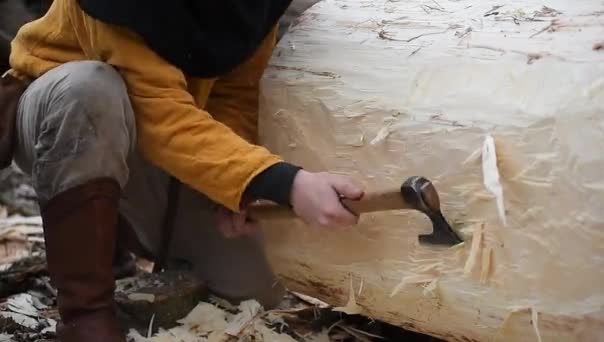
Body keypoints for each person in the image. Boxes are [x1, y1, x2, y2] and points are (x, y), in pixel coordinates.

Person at [0, 0, 365, 341]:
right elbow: (158, 113)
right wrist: (283, 183)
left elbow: (234, 94)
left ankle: (119, 230)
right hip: (66, 116)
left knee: (249, 286)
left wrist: (231, 189)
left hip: (165, 140)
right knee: (90, 88)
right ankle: (85, 313)